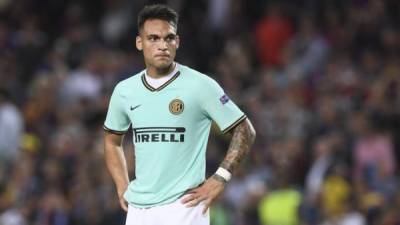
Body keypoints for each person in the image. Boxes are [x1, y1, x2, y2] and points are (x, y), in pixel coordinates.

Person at [103, 4, 256, 225]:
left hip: (184, 207)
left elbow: (245, 130)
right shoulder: (125, 91)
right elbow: (111, 141)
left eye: (169, 38)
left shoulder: (200, 85)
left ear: (177, 42)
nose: (162, 45)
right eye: (153, 38)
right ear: (140, 43)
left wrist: (220, 178)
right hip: (139, 210)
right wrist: (121, 184)